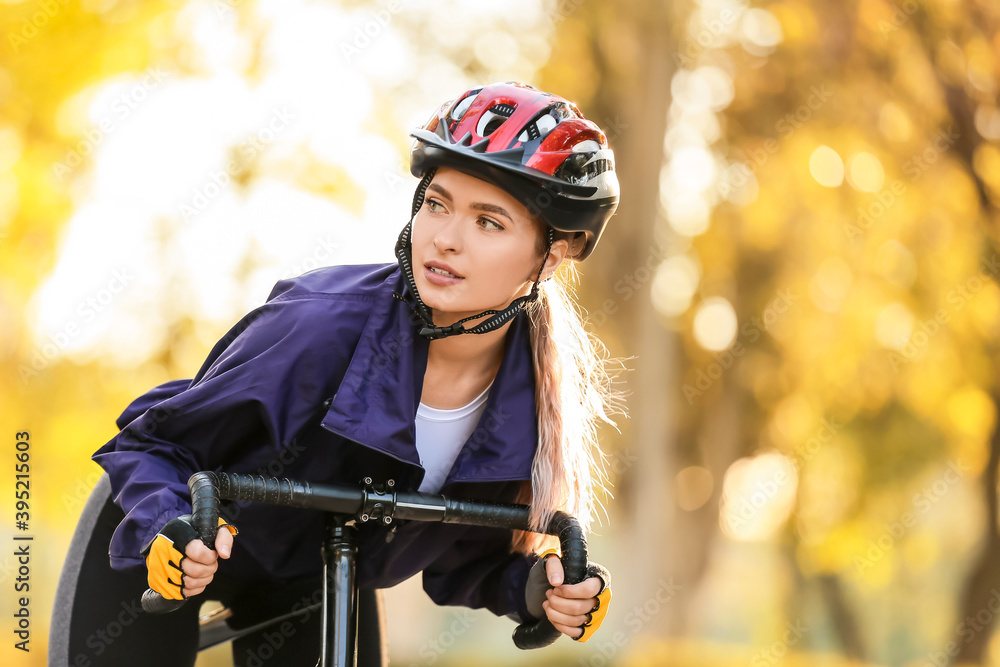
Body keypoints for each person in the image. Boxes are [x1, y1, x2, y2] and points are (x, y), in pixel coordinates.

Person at [50, 81, 623, 667]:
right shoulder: (320, 326)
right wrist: (163, 531)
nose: (445, 239)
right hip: (157, 548)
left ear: (553, 254)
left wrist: (541, 590)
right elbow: (154, 441)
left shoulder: (530, 401)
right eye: (437, 203)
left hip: (316, 575)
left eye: (489, 222)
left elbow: (463, 561)